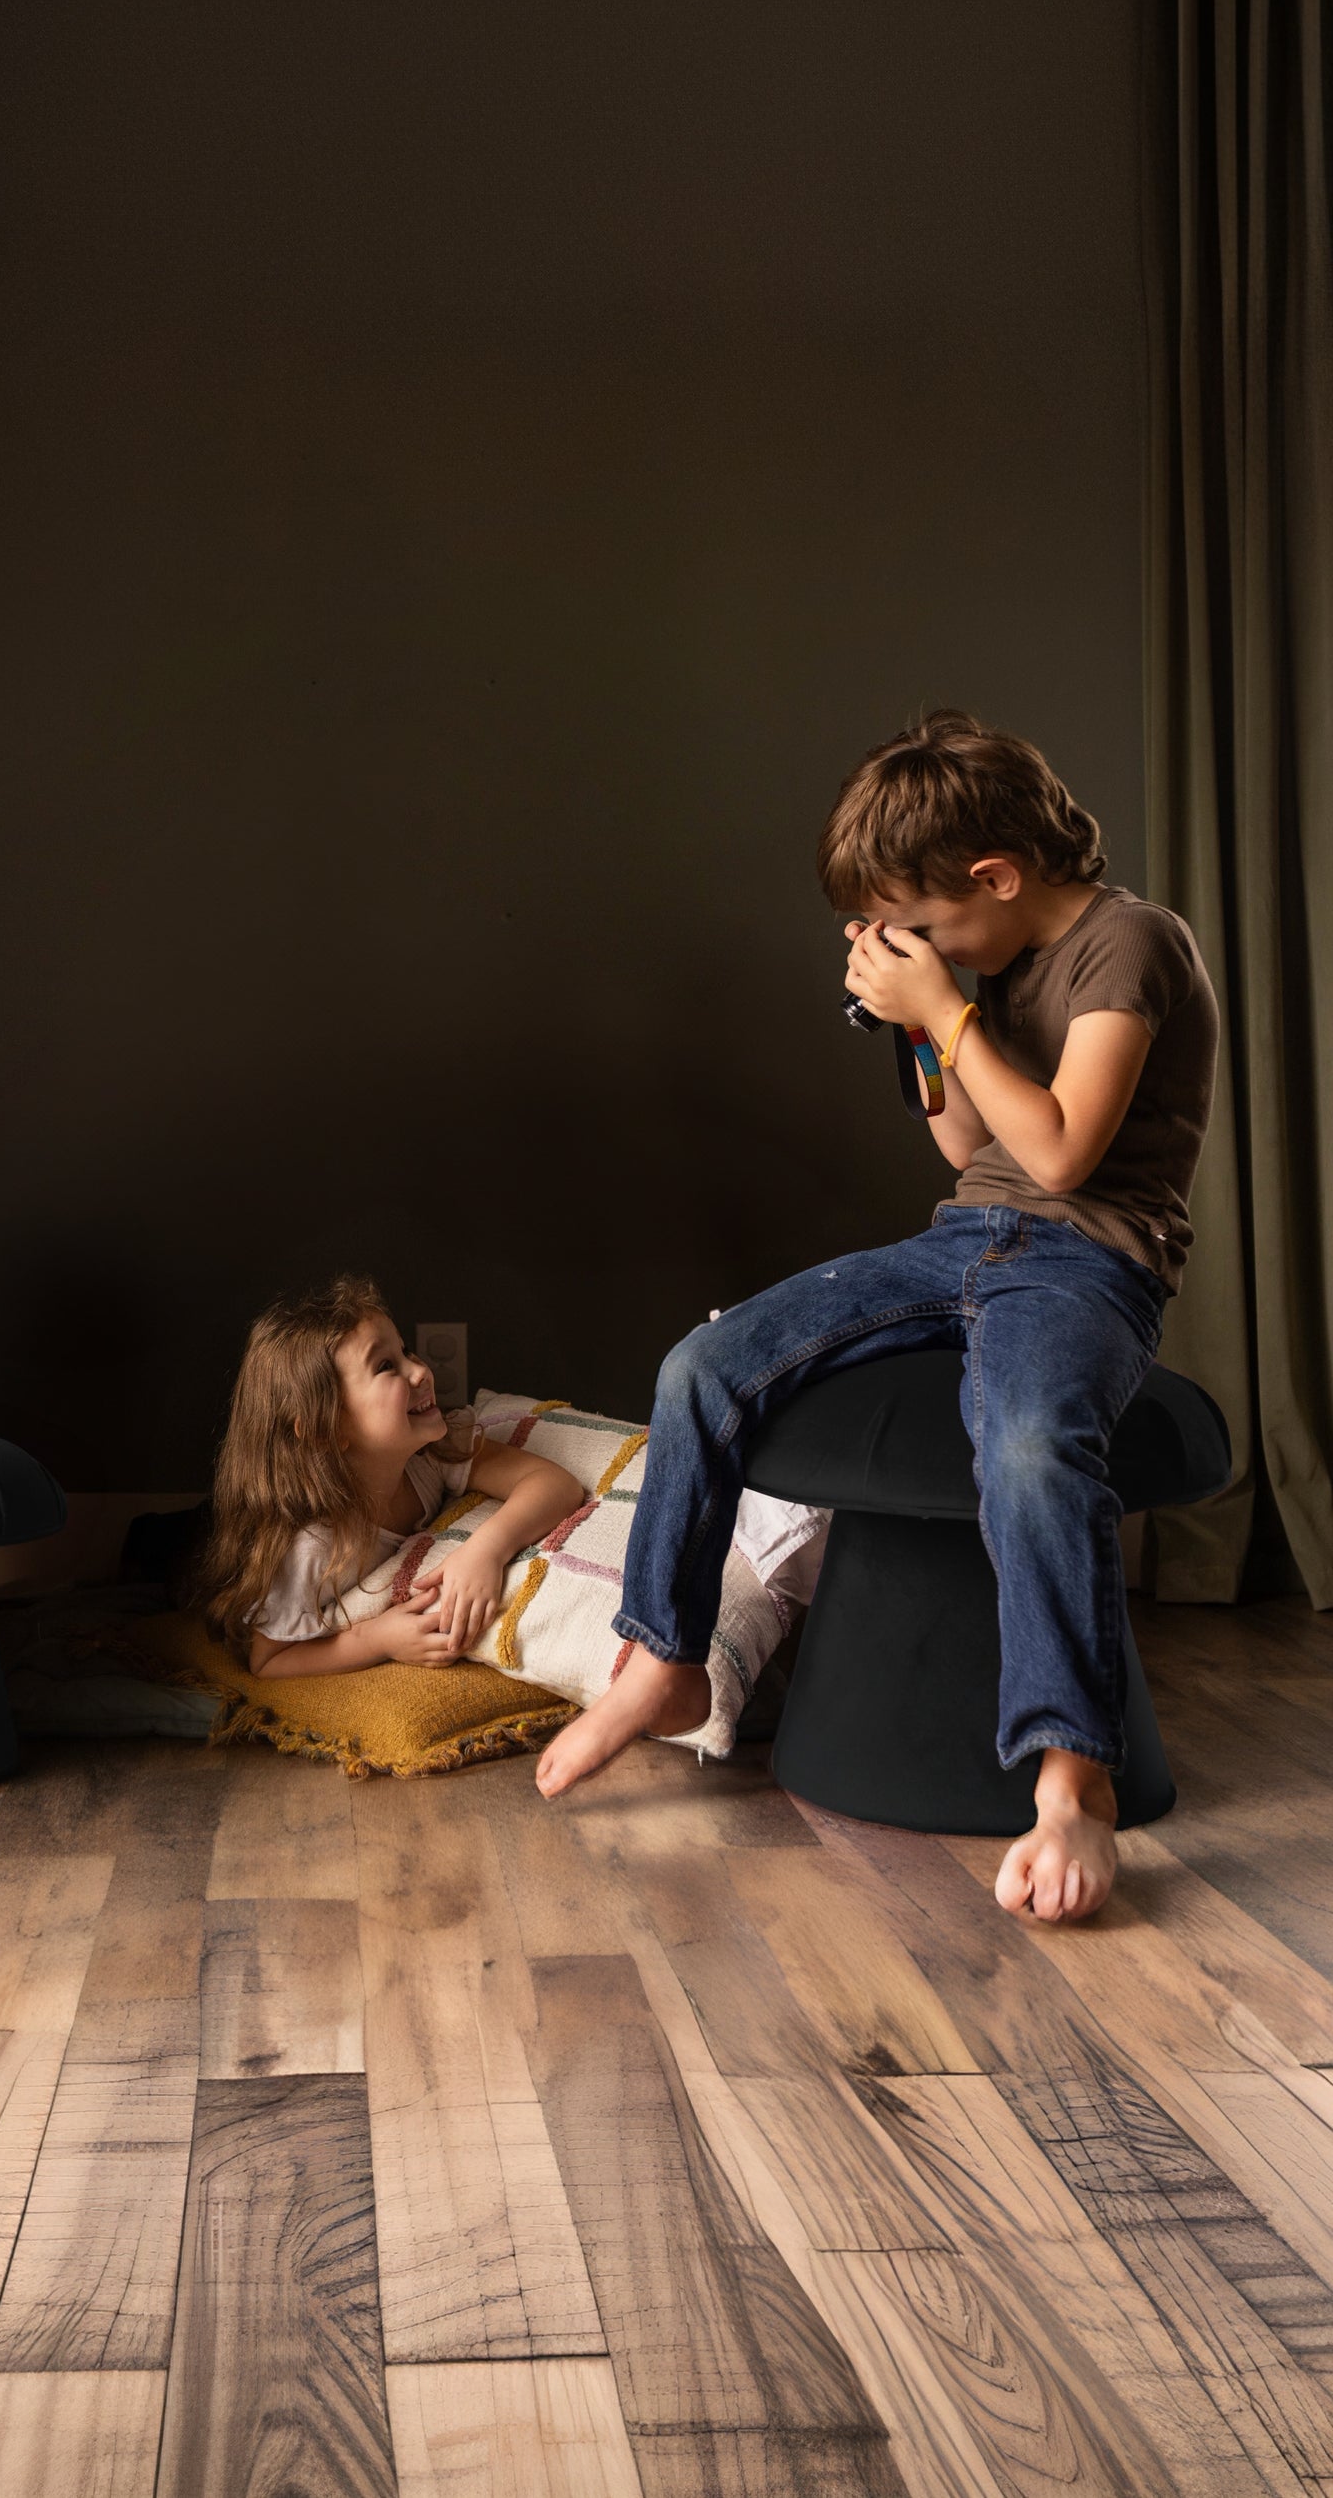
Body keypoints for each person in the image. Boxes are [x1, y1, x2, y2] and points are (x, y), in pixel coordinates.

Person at [536, 711, 1219, 1929]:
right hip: (957, 1240)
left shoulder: (1132, 943)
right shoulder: (987, 966)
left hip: (1085, 1264)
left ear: (996, 877)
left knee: (1025, 1445)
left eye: (930, 920)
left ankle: (1072, 1780)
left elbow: (1060, 1156)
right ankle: (666, 1661)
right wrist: (920, 1027)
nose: (923, 946)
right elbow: (968, 1146)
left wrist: (945, 1006)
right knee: (704, 1362)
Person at [195, 1275, 586, 1677]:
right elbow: (268, 1661)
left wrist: (484, 1551)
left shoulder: (431, 1454)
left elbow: (557, 1484)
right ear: (324, 1430)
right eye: (386, 1366)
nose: (419, 1371)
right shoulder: (310, 1548)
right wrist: (377, 1640)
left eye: (406, 1351)